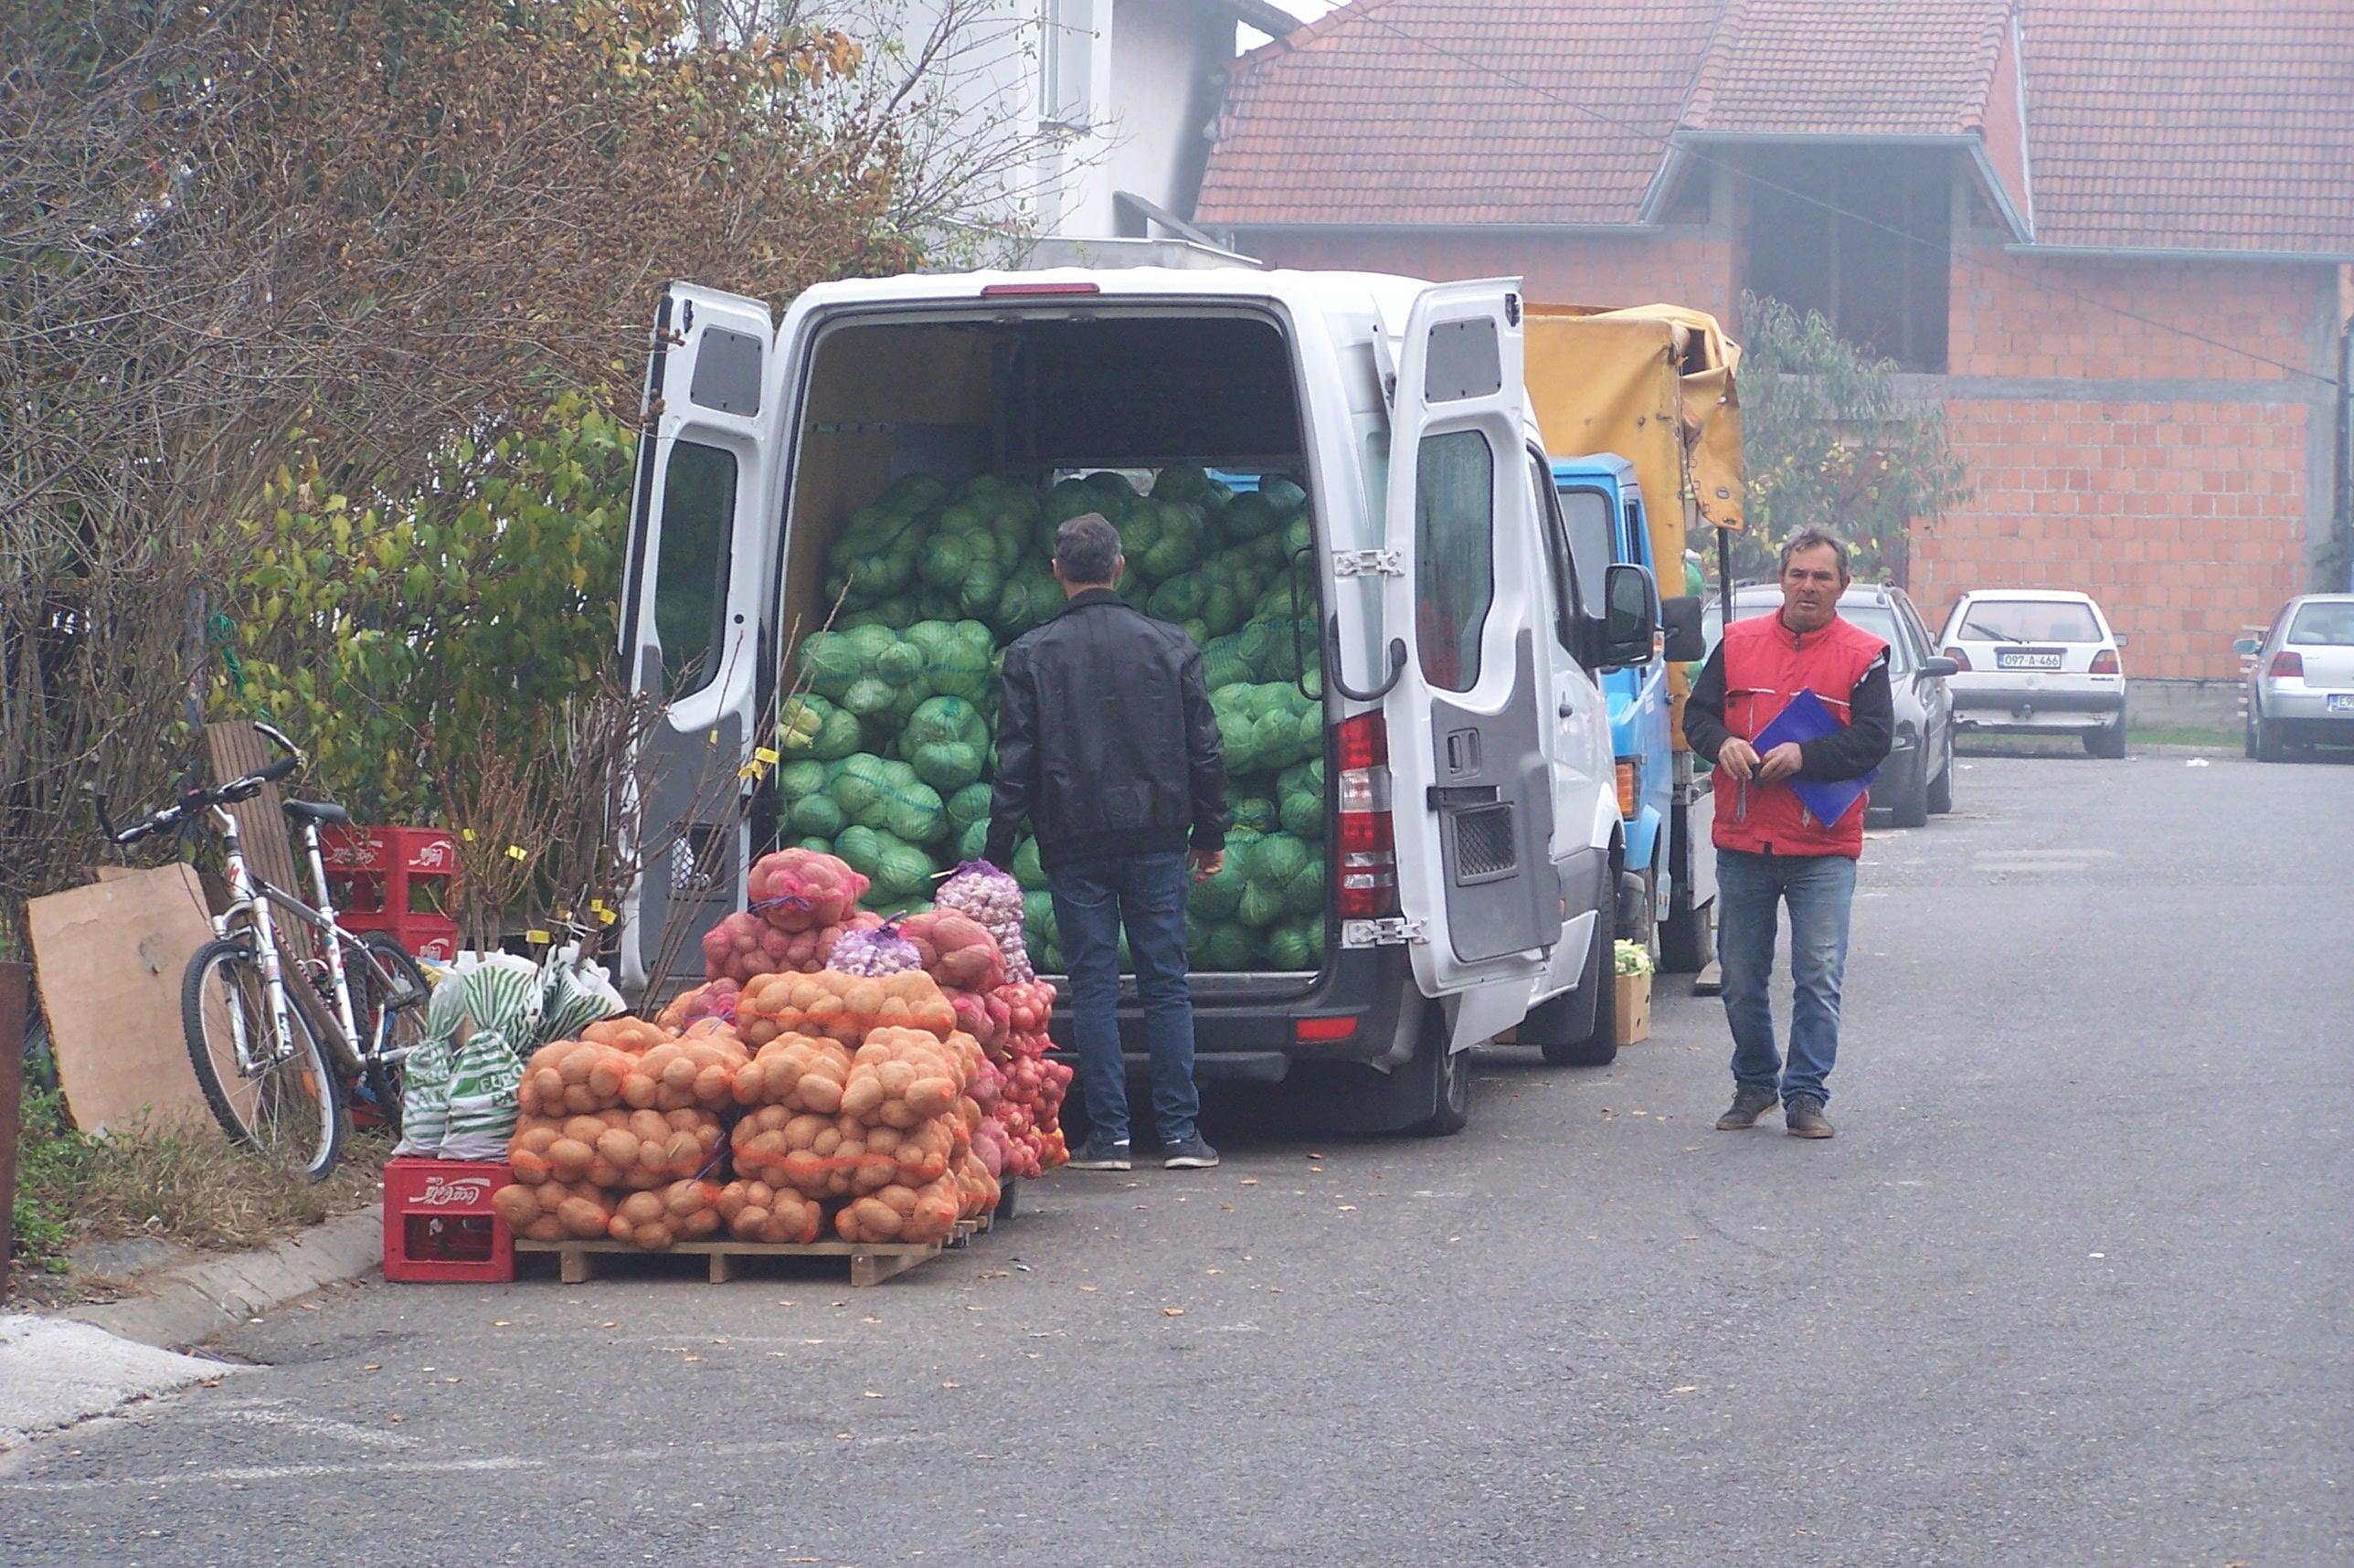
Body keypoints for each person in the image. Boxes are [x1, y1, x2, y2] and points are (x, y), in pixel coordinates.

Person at [984, 513, 1230, 1171]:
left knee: (1093, 986)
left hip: (1073, 844)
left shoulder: (1031, 654)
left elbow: (1015, 764)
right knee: (1165, 984)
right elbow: (1205, 749)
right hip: (1157, 839)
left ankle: (1111, 1137)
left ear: (1058, 572)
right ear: (1120, 566)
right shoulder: (1170, 645)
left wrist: (998, 854)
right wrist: (1210, 834)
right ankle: (1182, 1135)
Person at [1682, 528, 1893, 1139]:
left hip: (1823, 847)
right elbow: (1697, 716)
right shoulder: (1737, 643)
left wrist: (1805, 757)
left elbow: (1874, 739)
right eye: (1798, 574)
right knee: (1740, 978)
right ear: (1781, 579)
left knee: (1818, 976)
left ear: (1842, 586)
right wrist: (1722, 744)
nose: (1808, 586)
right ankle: (1755, 1085)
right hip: (1744, 840)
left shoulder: (1864, 654)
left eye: (1821, 577)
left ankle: (1805, 1096)